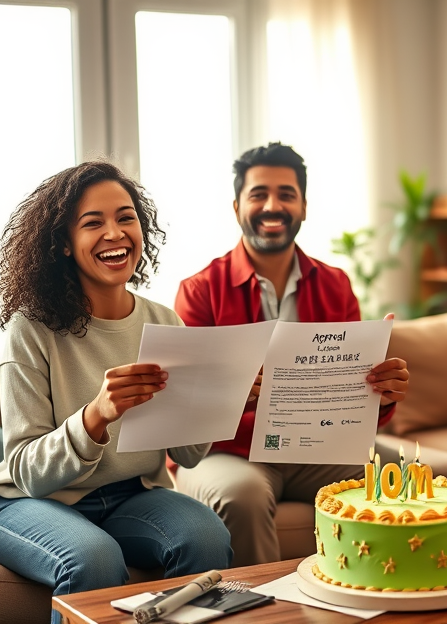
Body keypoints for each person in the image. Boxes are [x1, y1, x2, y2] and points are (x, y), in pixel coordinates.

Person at [0, 161, 232, 624]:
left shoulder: (164, 320)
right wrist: (96, 415)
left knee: (207, 537)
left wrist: (221, 400)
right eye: (93, 223)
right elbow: (28, 471)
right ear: (64, 245)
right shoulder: (29, 329)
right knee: (93, 558)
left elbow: (188, 454)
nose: (115, 233)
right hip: (27, 501)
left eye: (126, 217)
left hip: (131, 492)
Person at [174, 142, 410, 566]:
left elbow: (352, 405)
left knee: (399, 473)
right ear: (236, 207)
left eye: (286, 194)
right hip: (227, 453)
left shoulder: (336, 285)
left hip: (316, 449)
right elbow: (184, 406)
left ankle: (392, 593)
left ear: (303, 206)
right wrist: (234, 393)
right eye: (258, 194)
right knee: (241, 497)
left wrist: (381, 396)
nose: (272, 205)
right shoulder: (199, 291)